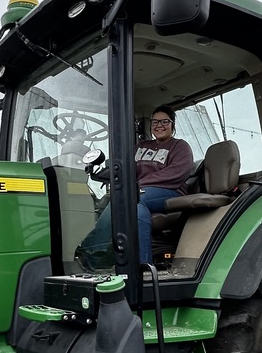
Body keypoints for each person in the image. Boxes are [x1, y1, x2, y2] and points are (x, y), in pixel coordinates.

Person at [77, 104, 193, 268]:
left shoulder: (180, 146)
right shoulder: (140, 147)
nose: (159, 125)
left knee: (136, 199)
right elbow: (125, 167)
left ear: (172, 125)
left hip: (170, 191)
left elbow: (177, 173)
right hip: (139, 190)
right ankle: (94, 254)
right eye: (155, 122)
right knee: (115, 201)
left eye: (165, 121)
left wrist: (138, 185)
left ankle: (141, 265)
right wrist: (104, 173)